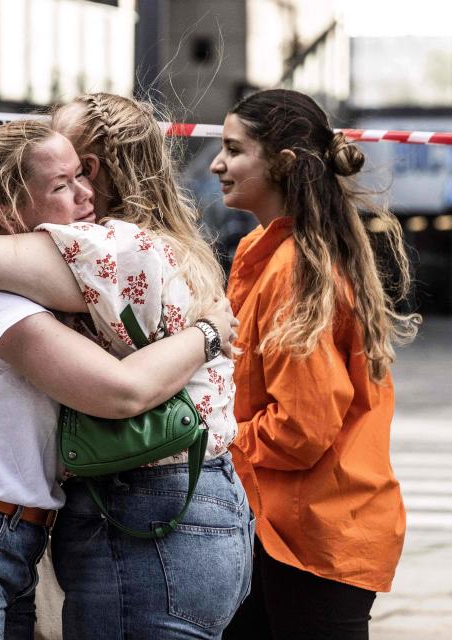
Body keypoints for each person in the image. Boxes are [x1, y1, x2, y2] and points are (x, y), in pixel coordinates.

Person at [0, 119, 239, 640]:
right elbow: (121, 390)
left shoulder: (47, 289)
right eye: (61, 186)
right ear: (7, 212)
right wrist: (208, 334)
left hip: (4, 538)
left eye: (83, 177)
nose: (86, 194)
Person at [208, 89, 421, 640]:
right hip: (290, 527)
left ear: (281, 165)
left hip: (311, 536)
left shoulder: (296, 266)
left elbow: (301, 429)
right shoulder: (275, 249)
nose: (217, 163)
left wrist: (212, 439)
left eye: (234, 149)